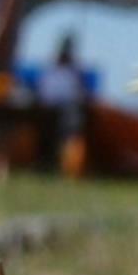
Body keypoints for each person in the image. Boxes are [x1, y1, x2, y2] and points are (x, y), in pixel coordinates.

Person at [37, 32, 89, 174]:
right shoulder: (50, 69)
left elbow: (80, 94)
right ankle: (44, 162)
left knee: (72, 126)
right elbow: (43, 92)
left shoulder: (76, 71)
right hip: (48, 109)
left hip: (69, 110)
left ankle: (69, 165)